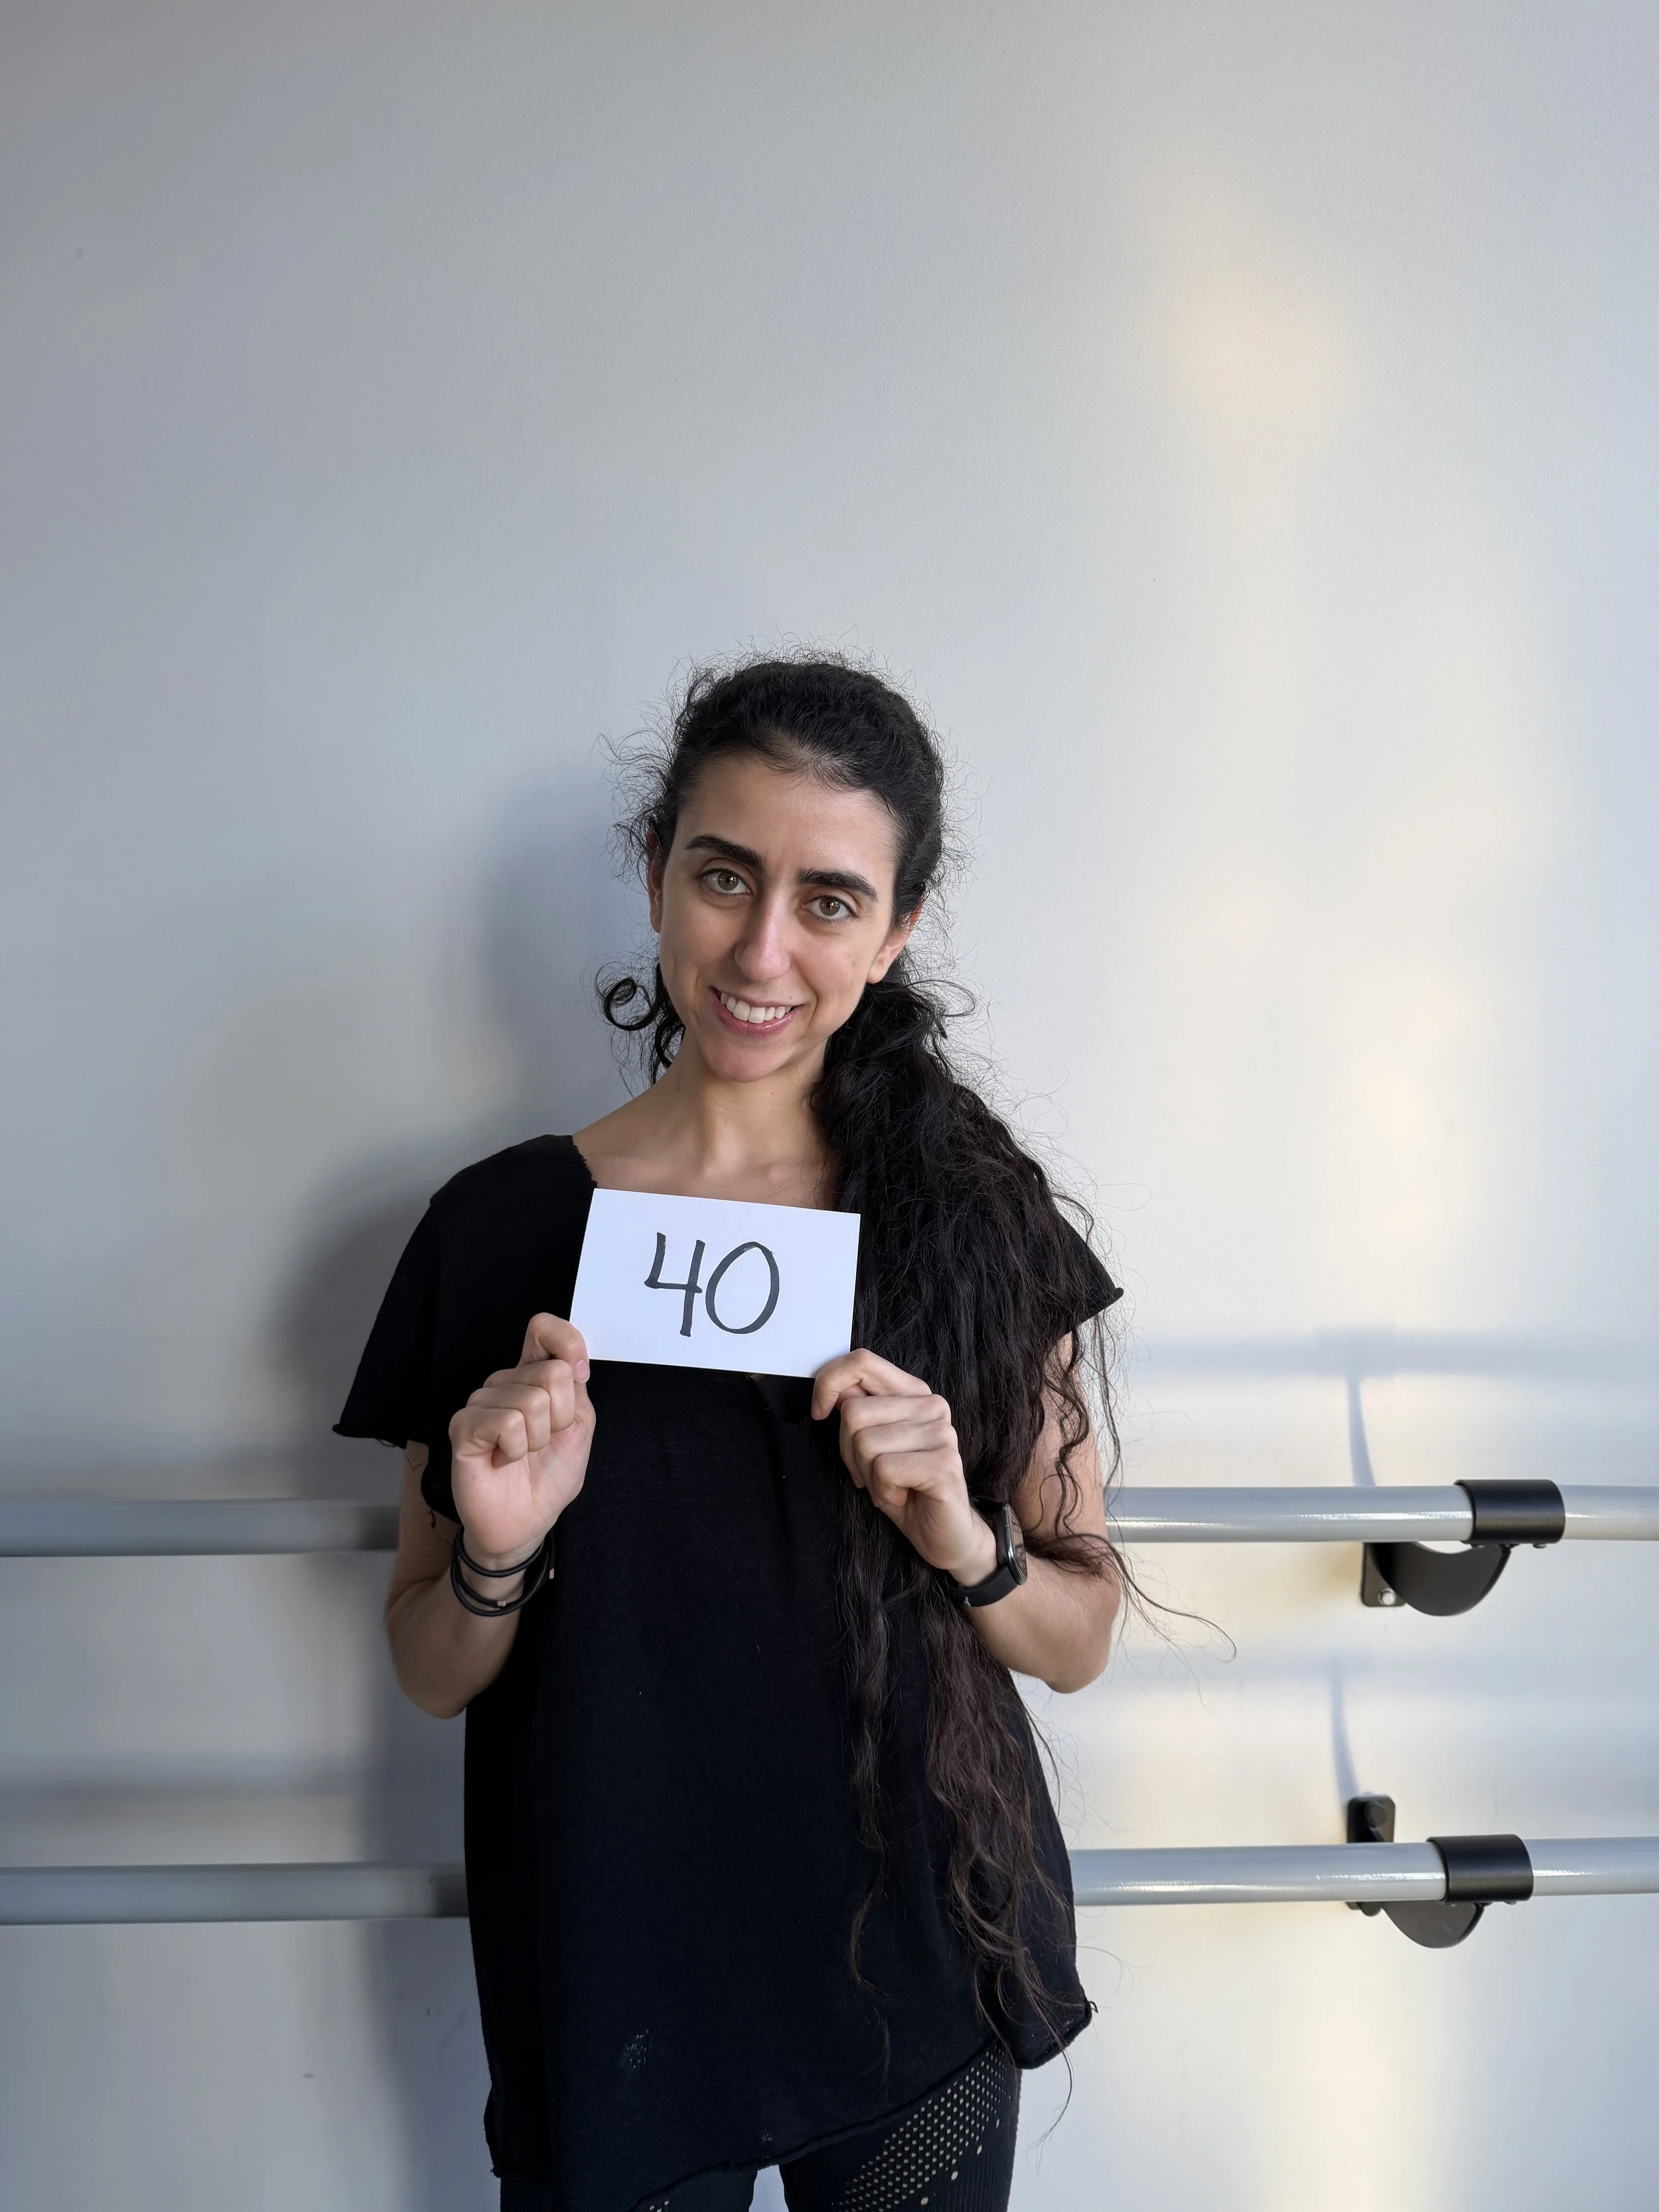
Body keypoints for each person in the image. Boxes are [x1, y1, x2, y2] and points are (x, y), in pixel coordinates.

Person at [336, 658, 1123, 2212]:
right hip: (614, 1973)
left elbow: (1079, 1633)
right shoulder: (493, 1232)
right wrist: (494, 1554)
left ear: (893, 933)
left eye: (828, 901)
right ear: (655, 877)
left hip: (912, 1971)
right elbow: (430, 1667)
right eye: (722, 876)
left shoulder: (971, 1226)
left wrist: (963, 1540)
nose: (762, 950)